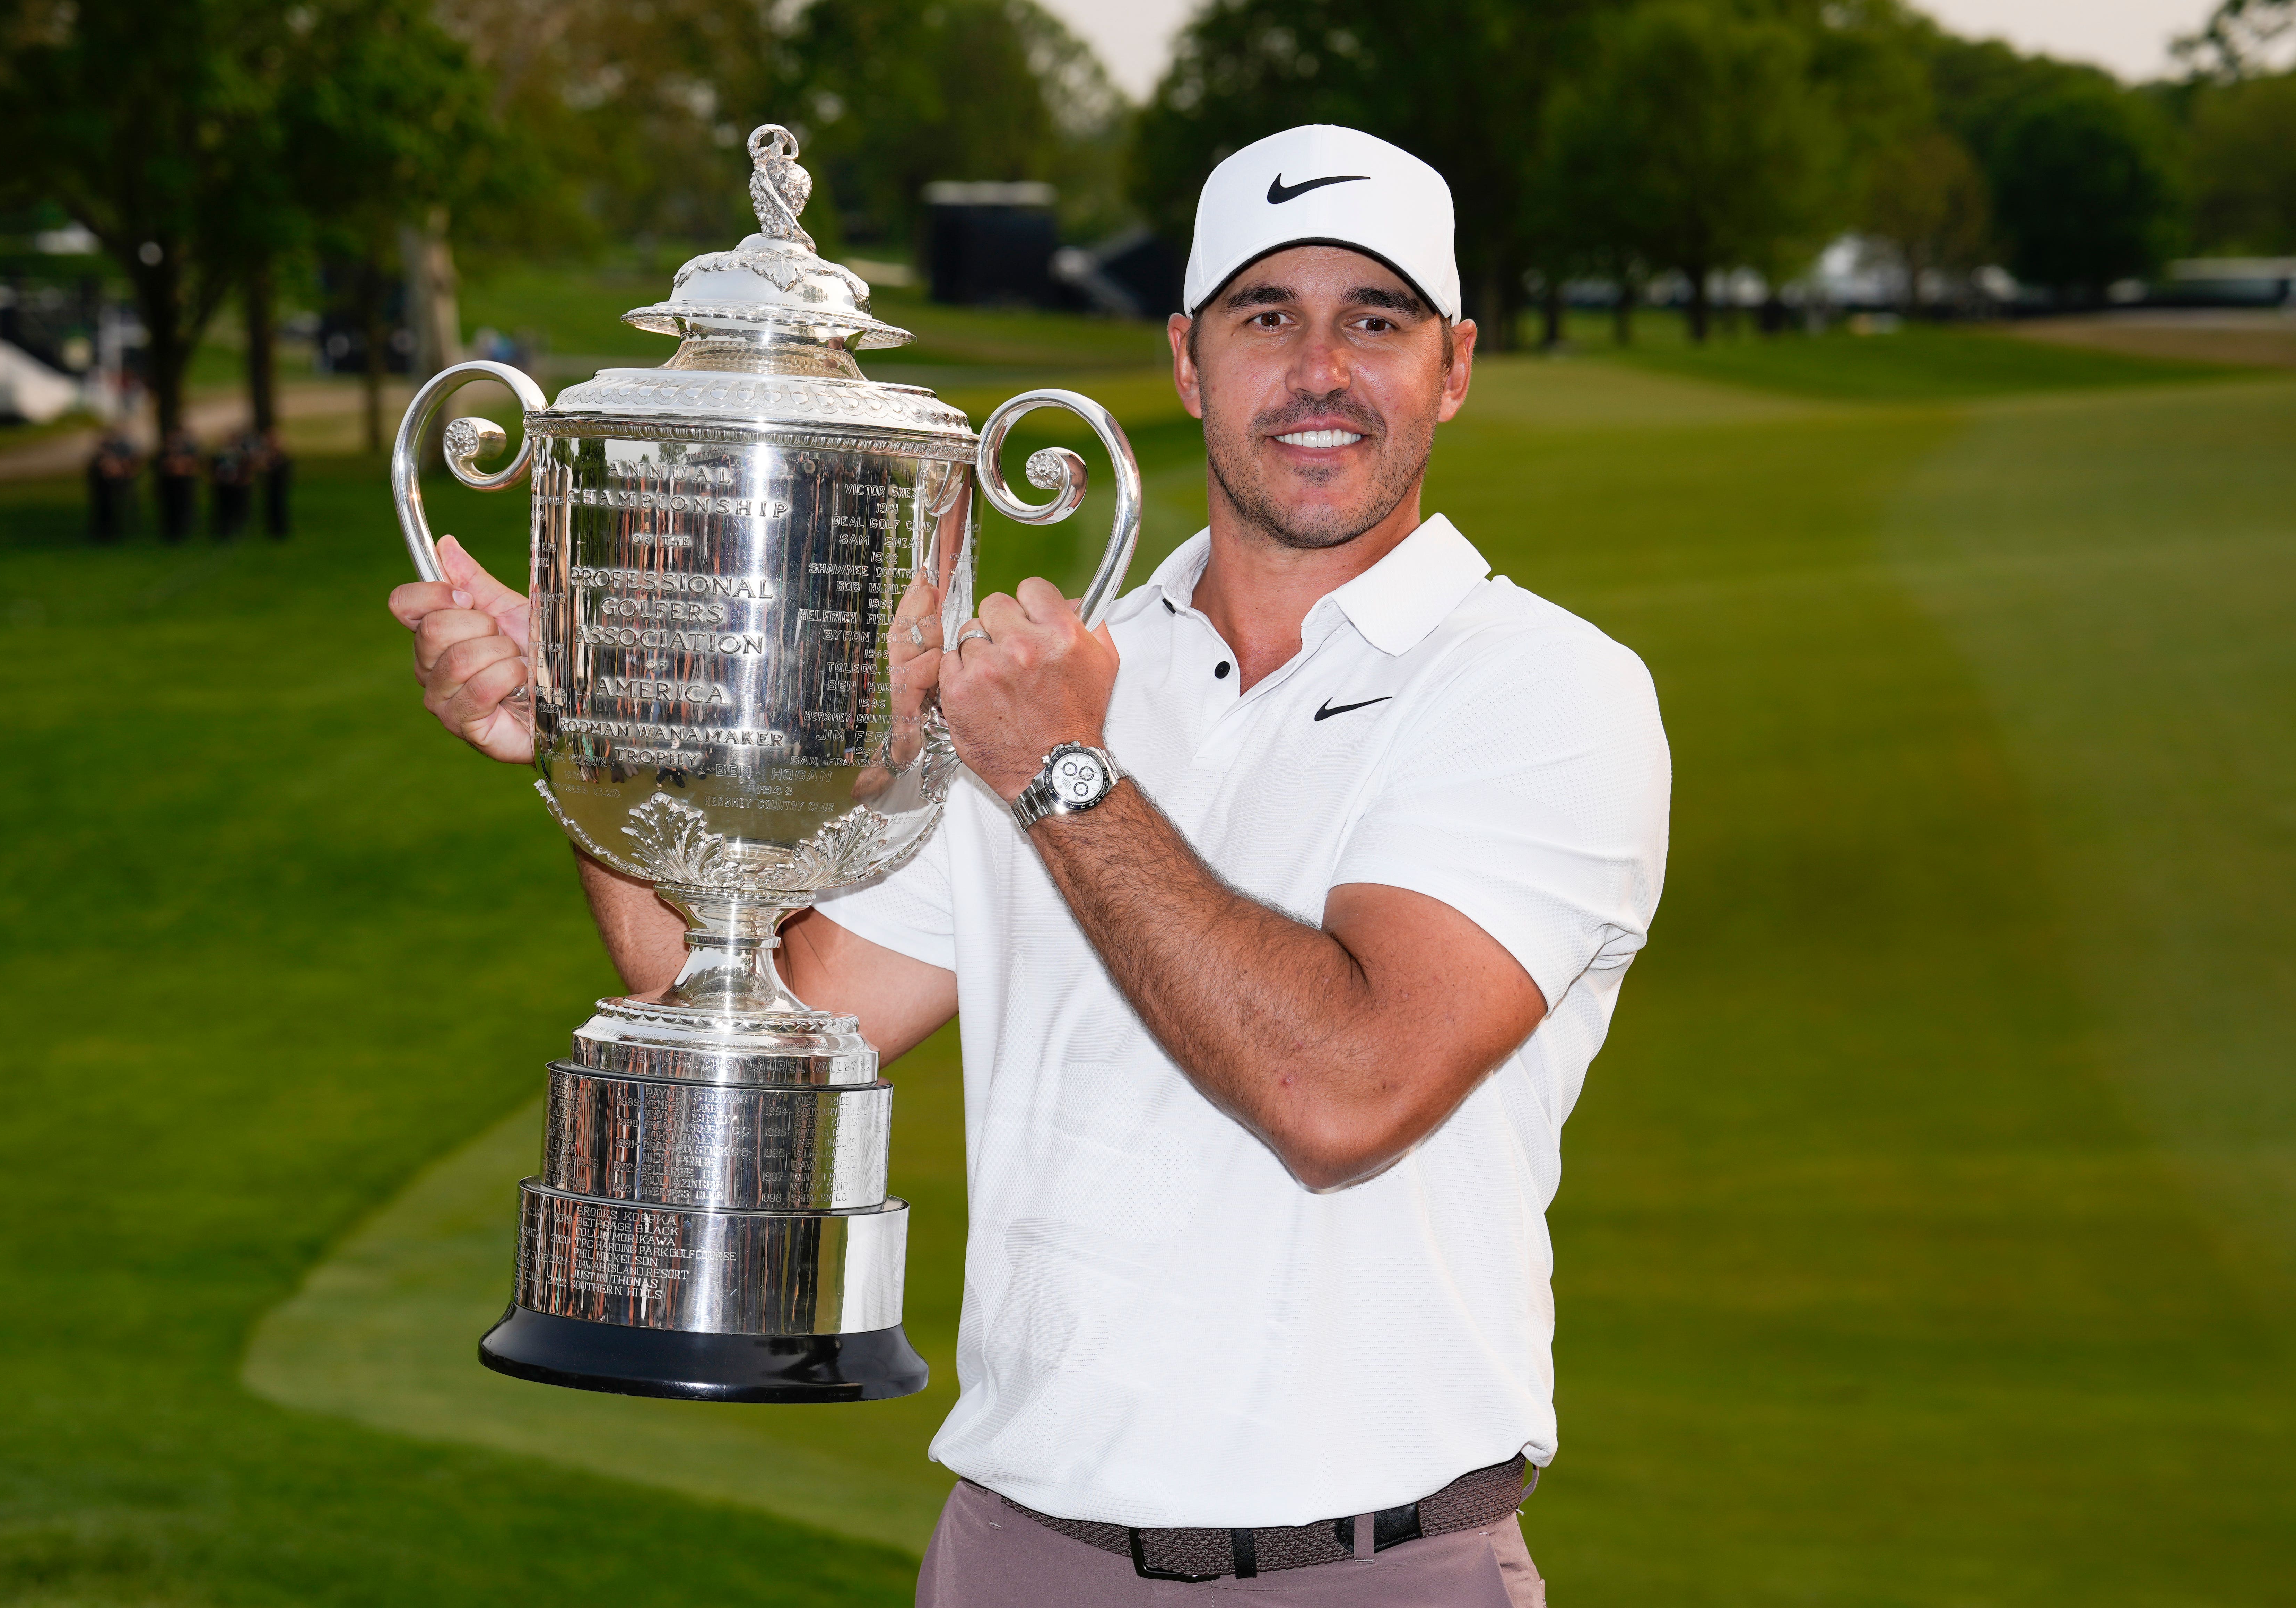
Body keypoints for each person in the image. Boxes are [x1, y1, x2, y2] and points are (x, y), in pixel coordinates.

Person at [390, 124, 1669, 1606]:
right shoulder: (1049, 670)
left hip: (1372, 1565)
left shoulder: (1540, 687)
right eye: (1269, 318)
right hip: (1018, 1554)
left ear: (1453, 363)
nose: (1321, 370)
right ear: (1189, 360)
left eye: (1373, 321)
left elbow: (1346, 1091)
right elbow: (767, 997)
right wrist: (597, 727)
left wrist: (1065, 775)